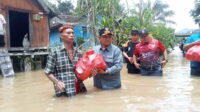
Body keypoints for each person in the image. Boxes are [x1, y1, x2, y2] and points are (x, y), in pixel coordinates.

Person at [44, 25, 86, 97]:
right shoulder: (55, 52)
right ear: (61, 36)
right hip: (64, 92)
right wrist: (57, 82)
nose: (72, 35)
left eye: (73, 33)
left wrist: (91, 73)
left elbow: (83, 72)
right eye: (68, 33)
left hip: (80, 91)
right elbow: (47, 72)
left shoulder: (79, 52)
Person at [0, 10, 15, 77]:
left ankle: (2, 51)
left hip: (1, 32)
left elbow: (3, 24)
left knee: (2, 42)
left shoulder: (2, 16)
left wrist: (4, 30)